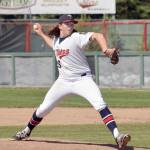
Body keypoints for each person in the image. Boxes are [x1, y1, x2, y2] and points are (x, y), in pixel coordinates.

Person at [13, 14, 131, 149]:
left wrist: (105, 49)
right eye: (67, 23)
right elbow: (52, 44)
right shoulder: (57, 41)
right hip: (63, 82)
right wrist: (40, 33)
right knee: (42, 109)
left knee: (100, 104)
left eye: (72, 23)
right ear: (60, 26)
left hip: (83, 80)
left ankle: (118, 136)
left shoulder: (76, 37)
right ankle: (27, 130)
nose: (71, 25)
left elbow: (98, 35)